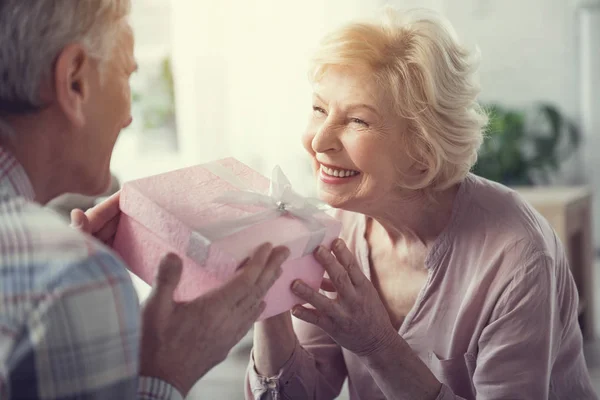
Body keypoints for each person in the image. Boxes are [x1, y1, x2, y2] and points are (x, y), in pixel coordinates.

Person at [246, 8, 598, 400]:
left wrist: (377, 344)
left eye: (358, 121)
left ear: (422, 147)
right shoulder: (334, 231)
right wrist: (268, 300)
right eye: (319, 109)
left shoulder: (517, 258)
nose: (319, 140)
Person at [0, 1, 289, 399]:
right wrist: (166, 375)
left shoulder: (57, 268)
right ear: (74, 81)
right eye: (126, 76)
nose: (129, 117)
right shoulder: (67, 276)